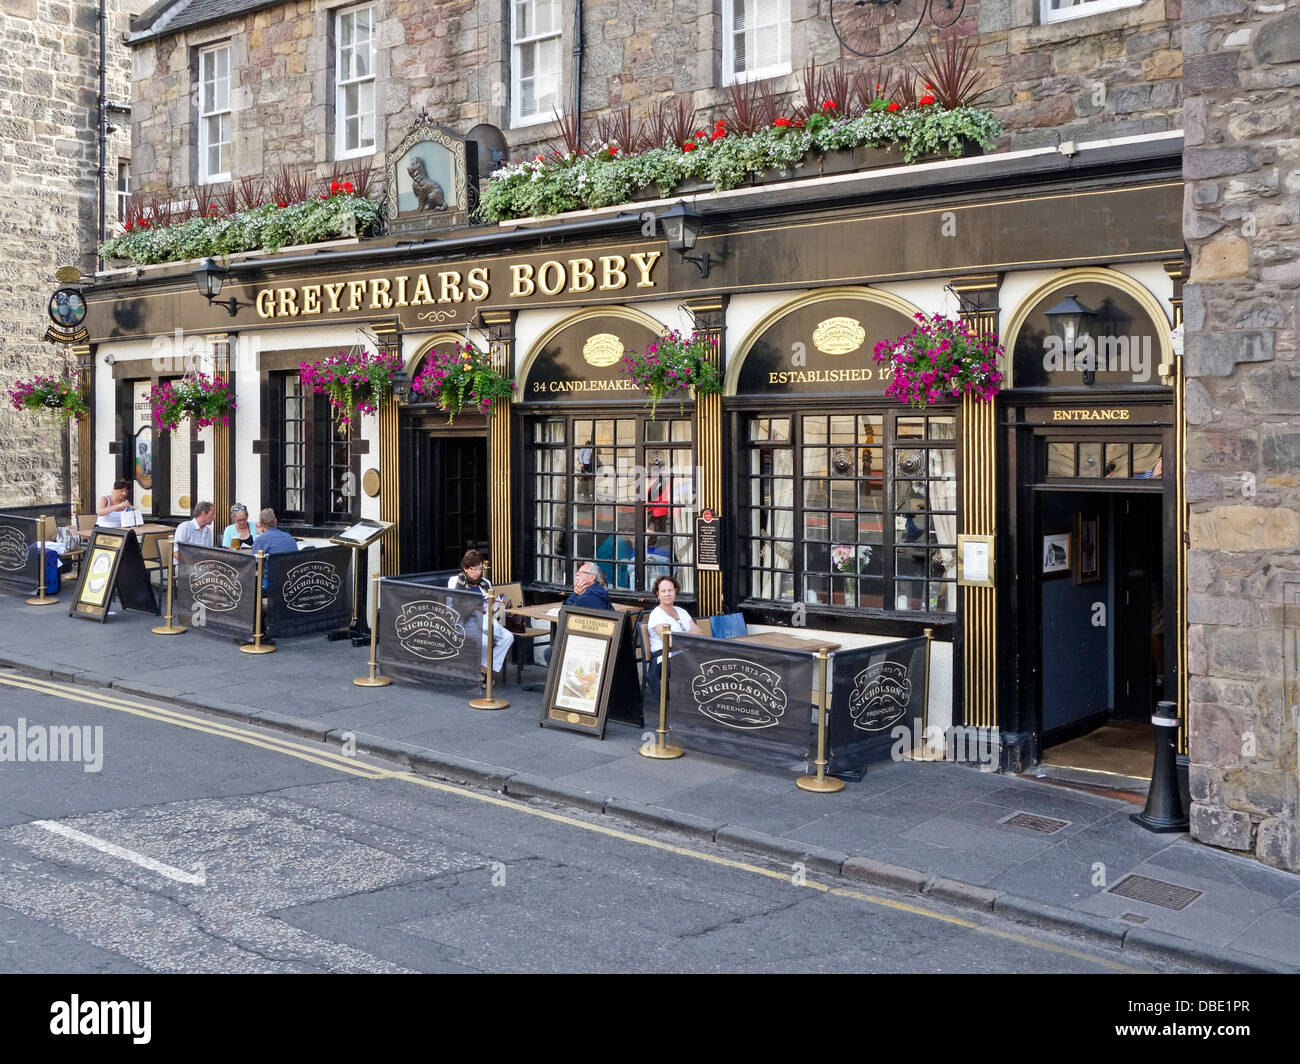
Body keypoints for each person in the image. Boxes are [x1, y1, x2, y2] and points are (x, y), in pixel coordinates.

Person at [447, 548, 513, 684]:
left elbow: (492, 603)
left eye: (480, 569)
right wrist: (477, 606)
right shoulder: (455, 581)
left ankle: (484, 669)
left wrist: (500, 602)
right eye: (474, 569)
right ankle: (484, 676)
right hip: (465, 620)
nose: (478, 573)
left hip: (486, 620)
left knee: (508, 637)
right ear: (465, 568)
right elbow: (455, 606)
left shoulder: (485, 583)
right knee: (485, 641)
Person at [643, 574, 700, 707]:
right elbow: (670, 642)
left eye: (670, 590)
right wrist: (689, 634)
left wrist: (683, 636)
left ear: (675, 592)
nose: (667, 594)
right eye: (663, 591)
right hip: (664, 657)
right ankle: (692, 705)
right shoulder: (656, 614)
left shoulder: (682, 611)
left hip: (685, 652)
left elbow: (699, 633)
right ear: (658, 594)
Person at [544, 563, 613, 664]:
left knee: (550, 652)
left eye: (581, 572)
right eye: (577, 572)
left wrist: (575, 594)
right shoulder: (598, 591)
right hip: (599, 643)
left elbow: (563, 615)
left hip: (591, 649)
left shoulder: (588, 597)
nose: (577, 574)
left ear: (592, 577)